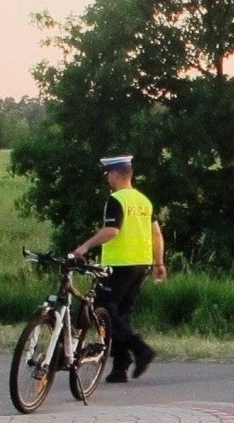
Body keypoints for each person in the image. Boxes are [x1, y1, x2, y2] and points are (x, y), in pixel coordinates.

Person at [68, 155, 165, 382]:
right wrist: (159, 262)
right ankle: (120, 367)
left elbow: (112, 230)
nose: (107, 179)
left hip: (119, 264)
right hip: (141, 263)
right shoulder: (144, 200)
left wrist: (83, 247)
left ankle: (140, 349)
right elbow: (157, 234)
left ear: (115, 175)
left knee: (103, 308)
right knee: (121, 313)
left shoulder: (117, 199)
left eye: (107, 175)